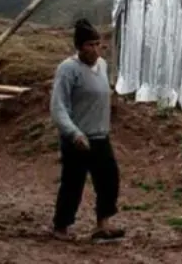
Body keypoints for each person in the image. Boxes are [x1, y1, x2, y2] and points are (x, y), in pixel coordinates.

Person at [50, 18, 124, 241]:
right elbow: (58, 106)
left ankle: (103, 224)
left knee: (109, 179)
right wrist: (73, 133)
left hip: (100, 135)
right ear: (79, 47)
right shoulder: (68, 69)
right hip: (78, 138)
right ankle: (61, 226)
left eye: (97, 44)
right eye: (89, 45)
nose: (95, 49)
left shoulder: (101, 66)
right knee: (73, 183)